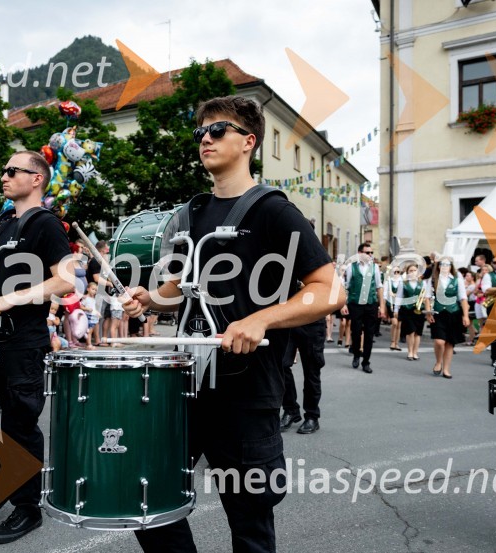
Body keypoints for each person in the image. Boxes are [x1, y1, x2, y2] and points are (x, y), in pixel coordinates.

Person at [122, 95, 343, 552]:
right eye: (200, 132)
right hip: (183, 384)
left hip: (246, 390)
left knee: (249, 523)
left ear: (248, 141)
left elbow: (328, 289)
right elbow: (182, 288)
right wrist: (151, 300)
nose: (205, 138)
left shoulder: (273, 211)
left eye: (217, 130)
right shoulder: (190, 215)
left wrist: (261, 319)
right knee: (145, 496)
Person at [0, 150, 74, 544]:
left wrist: (11, 300)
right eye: (2, 169)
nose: (3, 176)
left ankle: (28, 508)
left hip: (25, 339)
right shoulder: (5, 221)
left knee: (19, 424)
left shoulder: (47, 223)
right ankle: (3, 478)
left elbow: (65, 282)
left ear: (37, 178)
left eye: (12, 170)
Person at [280, 293, 326, 435]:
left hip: (313, 320)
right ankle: (291, 409)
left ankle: (312, 416)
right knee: (281, 365)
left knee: (311, 370)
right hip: (289, 319)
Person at [341, 243, 385, 374]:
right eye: (368, 252)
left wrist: (381, 305)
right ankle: (356, 354)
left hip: (371, 304)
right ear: (360, 253)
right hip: (355, 304)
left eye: (372, 252)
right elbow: (346, 287)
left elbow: (379, 287)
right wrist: (343, 304)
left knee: (369, 334)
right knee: (356, 332)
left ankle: (366, 361)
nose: (370, 255)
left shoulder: (375, 267)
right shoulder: (351, 267)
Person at [424, 257, 469, 379]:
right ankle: (438, 361)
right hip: (438, 313)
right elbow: (427, 297)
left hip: (454, 313)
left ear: (451, 266)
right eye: (442, 264)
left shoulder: (457, 280)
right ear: (438, 266)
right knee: (439, 341)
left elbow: (463, 298)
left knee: (450, 343)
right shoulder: (433, 280)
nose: (444, 266)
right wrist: (428, 313)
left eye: (447, 264)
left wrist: (465, 315)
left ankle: (446, 369)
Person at [394, 262, 425, 361]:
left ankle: (415, 352)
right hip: (407, 310)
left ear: (418, 272)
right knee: (410, 331)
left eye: (414, 270)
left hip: (419, 310)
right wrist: (396, 309)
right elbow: (399, 297)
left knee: (417, 332)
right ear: (407, 272)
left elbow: (426, 296)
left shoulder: (422, 283)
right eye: (410, 271)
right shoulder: (403, 283)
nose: (412, 272)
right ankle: (410, 351)